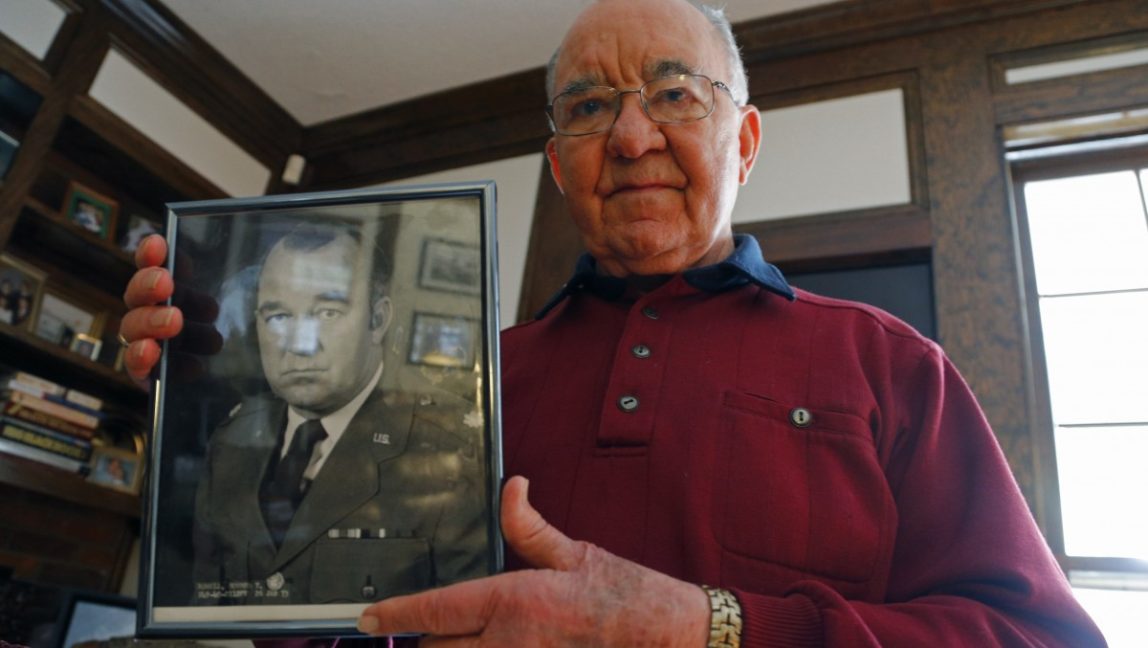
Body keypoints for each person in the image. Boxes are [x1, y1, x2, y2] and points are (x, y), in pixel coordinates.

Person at [121, 0, 1106, 644]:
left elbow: (1042, 639)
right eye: (588, 108)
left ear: (745, 139)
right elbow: (340, 614)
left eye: (675, 94)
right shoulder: (463, 377)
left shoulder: (888, 362)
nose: (631, 137)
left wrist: (707, 625)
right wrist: (203, 415)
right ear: (560, 167)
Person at [186, 223, 487, 606]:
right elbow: (206, 603)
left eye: (327, 312)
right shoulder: (231, 439)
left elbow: (465, 622)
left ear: (377, 321)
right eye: (278, 316)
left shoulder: (453, 449)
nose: (299, 344)